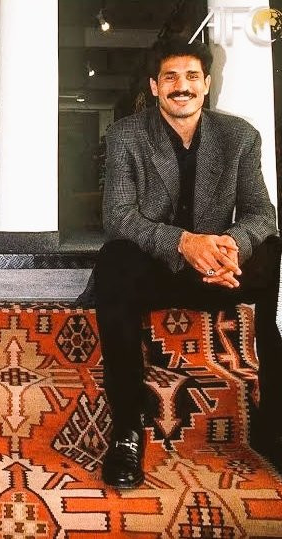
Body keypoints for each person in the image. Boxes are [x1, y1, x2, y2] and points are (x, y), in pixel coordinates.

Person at [95, 37, 281, 489]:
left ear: (207, 84)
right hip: (155, 270)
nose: (182, 86)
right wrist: (183, 243)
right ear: (154, 86)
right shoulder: (126, 135)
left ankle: (273, 421)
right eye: (171, 77)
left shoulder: (239, 136)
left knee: (272, 249)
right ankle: (126, 430)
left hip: (218, 272)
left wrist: (229, 246)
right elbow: (118, 216)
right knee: (114, 260)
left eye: (192, 77)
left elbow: (262, 213)